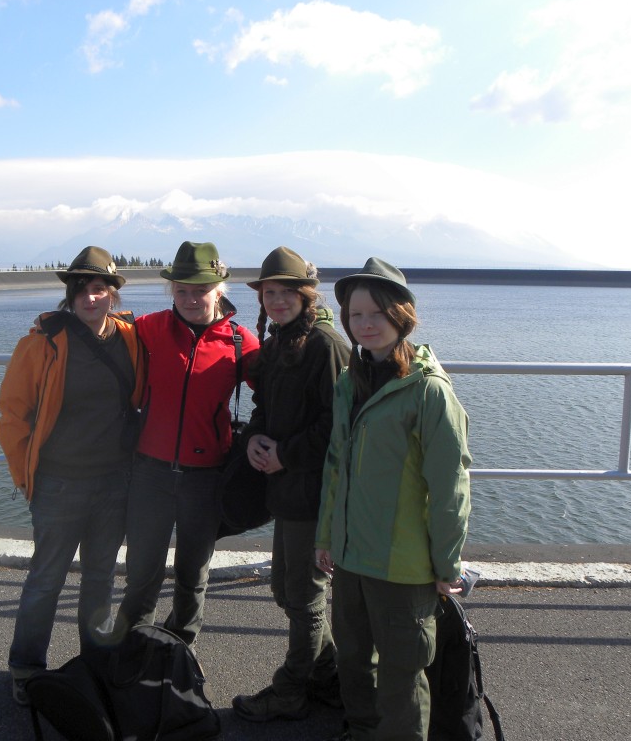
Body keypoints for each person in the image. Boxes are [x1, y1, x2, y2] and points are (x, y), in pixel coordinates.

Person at [315, 257, 472, 741]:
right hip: (351, 558)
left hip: (403, 567)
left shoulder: (429, 392)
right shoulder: (352, 381)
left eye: (377, 314)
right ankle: (362, 731)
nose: (365, 324)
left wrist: (446, 564)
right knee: (354, 661)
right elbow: (336, 466)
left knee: (402, 673)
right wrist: (326, 537)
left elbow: (450, 487)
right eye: (355, 315)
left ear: (401, 316)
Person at [0, 246, 145, 706]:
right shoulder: (42, 342)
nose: (90, 298)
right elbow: (13, 415)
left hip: (114, 481)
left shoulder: (131, 338)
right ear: (70, 295)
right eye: (81, 289)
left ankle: (95, 665)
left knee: (101, 578)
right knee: (46, 579)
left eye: (99, 288)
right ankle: (26, 668)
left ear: (113, 294)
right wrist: (26, 476)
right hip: (59, 483)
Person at [117, 240, 259, 648]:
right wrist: (56, 324)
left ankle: (180, 650)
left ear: (219, 290)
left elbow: (278, 392)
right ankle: (133, 650)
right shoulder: (149, 328)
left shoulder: (240, 342)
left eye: (201, 290)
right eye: (182, 291)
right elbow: (101, 334)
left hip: (206, 477)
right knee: (141, 573)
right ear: (171, 291)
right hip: (150, 473)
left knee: (192, 575)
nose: (191, 299)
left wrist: (260, 437)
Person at [231, 247, 351, 723]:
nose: (277, 300)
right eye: (269, 293)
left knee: (304, 597)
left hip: (315, 493)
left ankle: (291, 691)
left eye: (286, 292)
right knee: (286, 590)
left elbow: (336, 426)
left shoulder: (325, 345)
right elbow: (265, 408)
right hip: (287, 490)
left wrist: (284, 453)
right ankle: (330, 678)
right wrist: (256, 439)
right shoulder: (280, 341)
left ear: (306, 295)